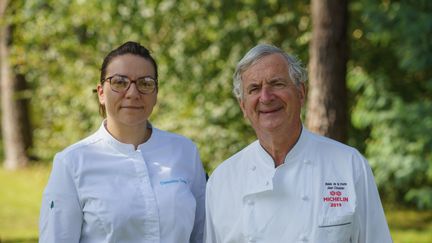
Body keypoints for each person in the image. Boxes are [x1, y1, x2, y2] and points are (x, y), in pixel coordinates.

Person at [204, 44, 392, 243]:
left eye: (277, 83)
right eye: (254, 89)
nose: (266, 97)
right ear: (243, 106)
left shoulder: (349, 165)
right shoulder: (222, 180)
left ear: (301, 92)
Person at [39, 41, 206, 243]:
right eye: (119, 82)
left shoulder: (185, 151)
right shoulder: (72, 163)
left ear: (155, 94)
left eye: (145, 83)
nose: (133, 93)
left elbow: (203, 234)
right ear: (101, 93)